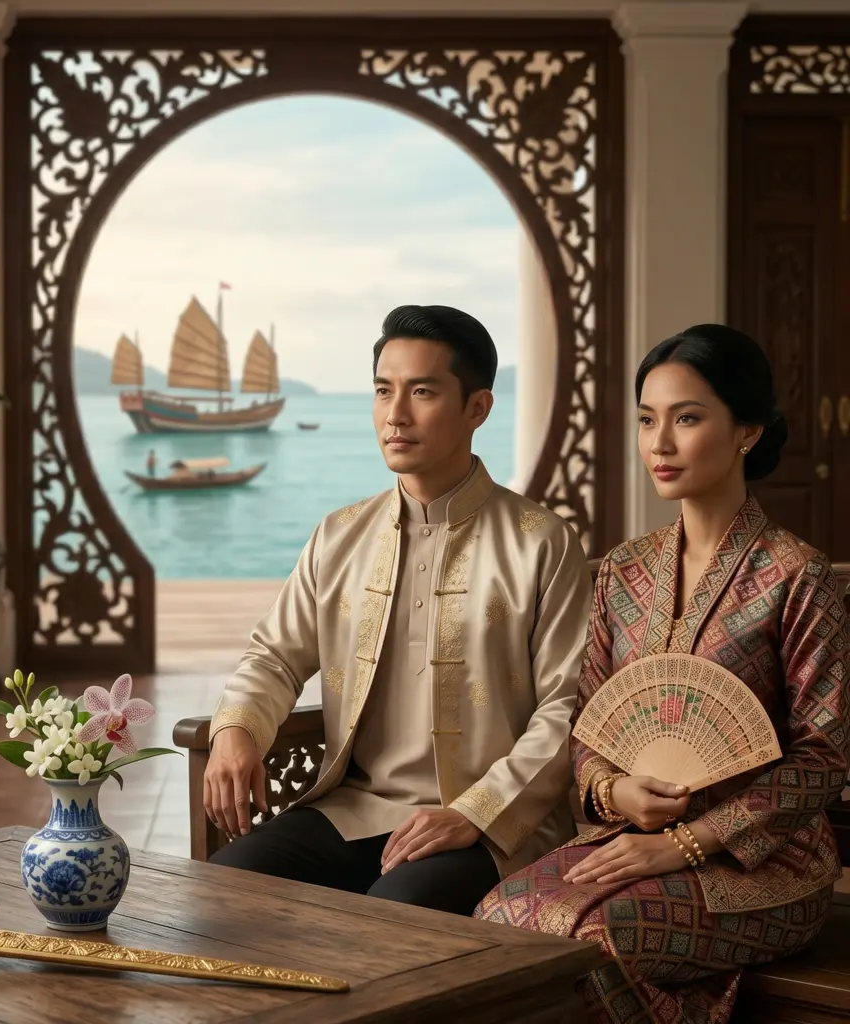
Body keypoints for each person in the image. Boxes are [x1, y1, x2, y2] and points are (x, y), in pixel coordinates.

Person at [475, 323, 850, 1022]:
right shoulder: (623, 569)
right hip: (630, 841)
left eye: (687, 418)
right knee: (498, 916)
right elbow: (589, 728)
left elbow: (824, 756)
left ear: (747, 431)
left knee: (592, 941)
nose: (660, 443)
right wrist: (617, 793)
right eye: (647, 419)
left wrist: (686, 843)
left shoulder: (799, 576)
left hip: (768, 864)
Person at [203, 304, 593, 915]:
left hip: (486, 824)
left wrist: (476, 811)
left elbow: (567, 707)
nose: (395, 414)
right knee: (222, 890)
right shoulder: (340, 535)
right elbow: (275, 655)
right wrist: (236, 730)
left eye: (422, 392)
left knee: (392, 919)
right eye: (383, 391)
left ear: (477, 408)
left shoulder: (541, 541)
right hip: (353, 809)